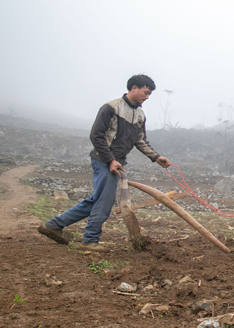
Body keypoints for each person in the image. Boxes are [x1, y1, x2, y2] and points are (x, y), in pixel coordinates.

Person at [37, 74, 171, 252]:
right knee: (104, 202)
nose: (147, 97)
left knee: (97, 200)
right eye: (145, 93)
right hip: (104, 160)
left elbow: (140, 140)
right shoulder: (111, 108)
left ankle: (54, 225)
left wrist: (156, 157)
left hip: (117, 162)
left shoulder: (140, 115)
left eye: (149, 95)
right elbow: (96, 136)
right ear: (134, 88)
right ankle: (90, 240)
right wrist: (111, 160)